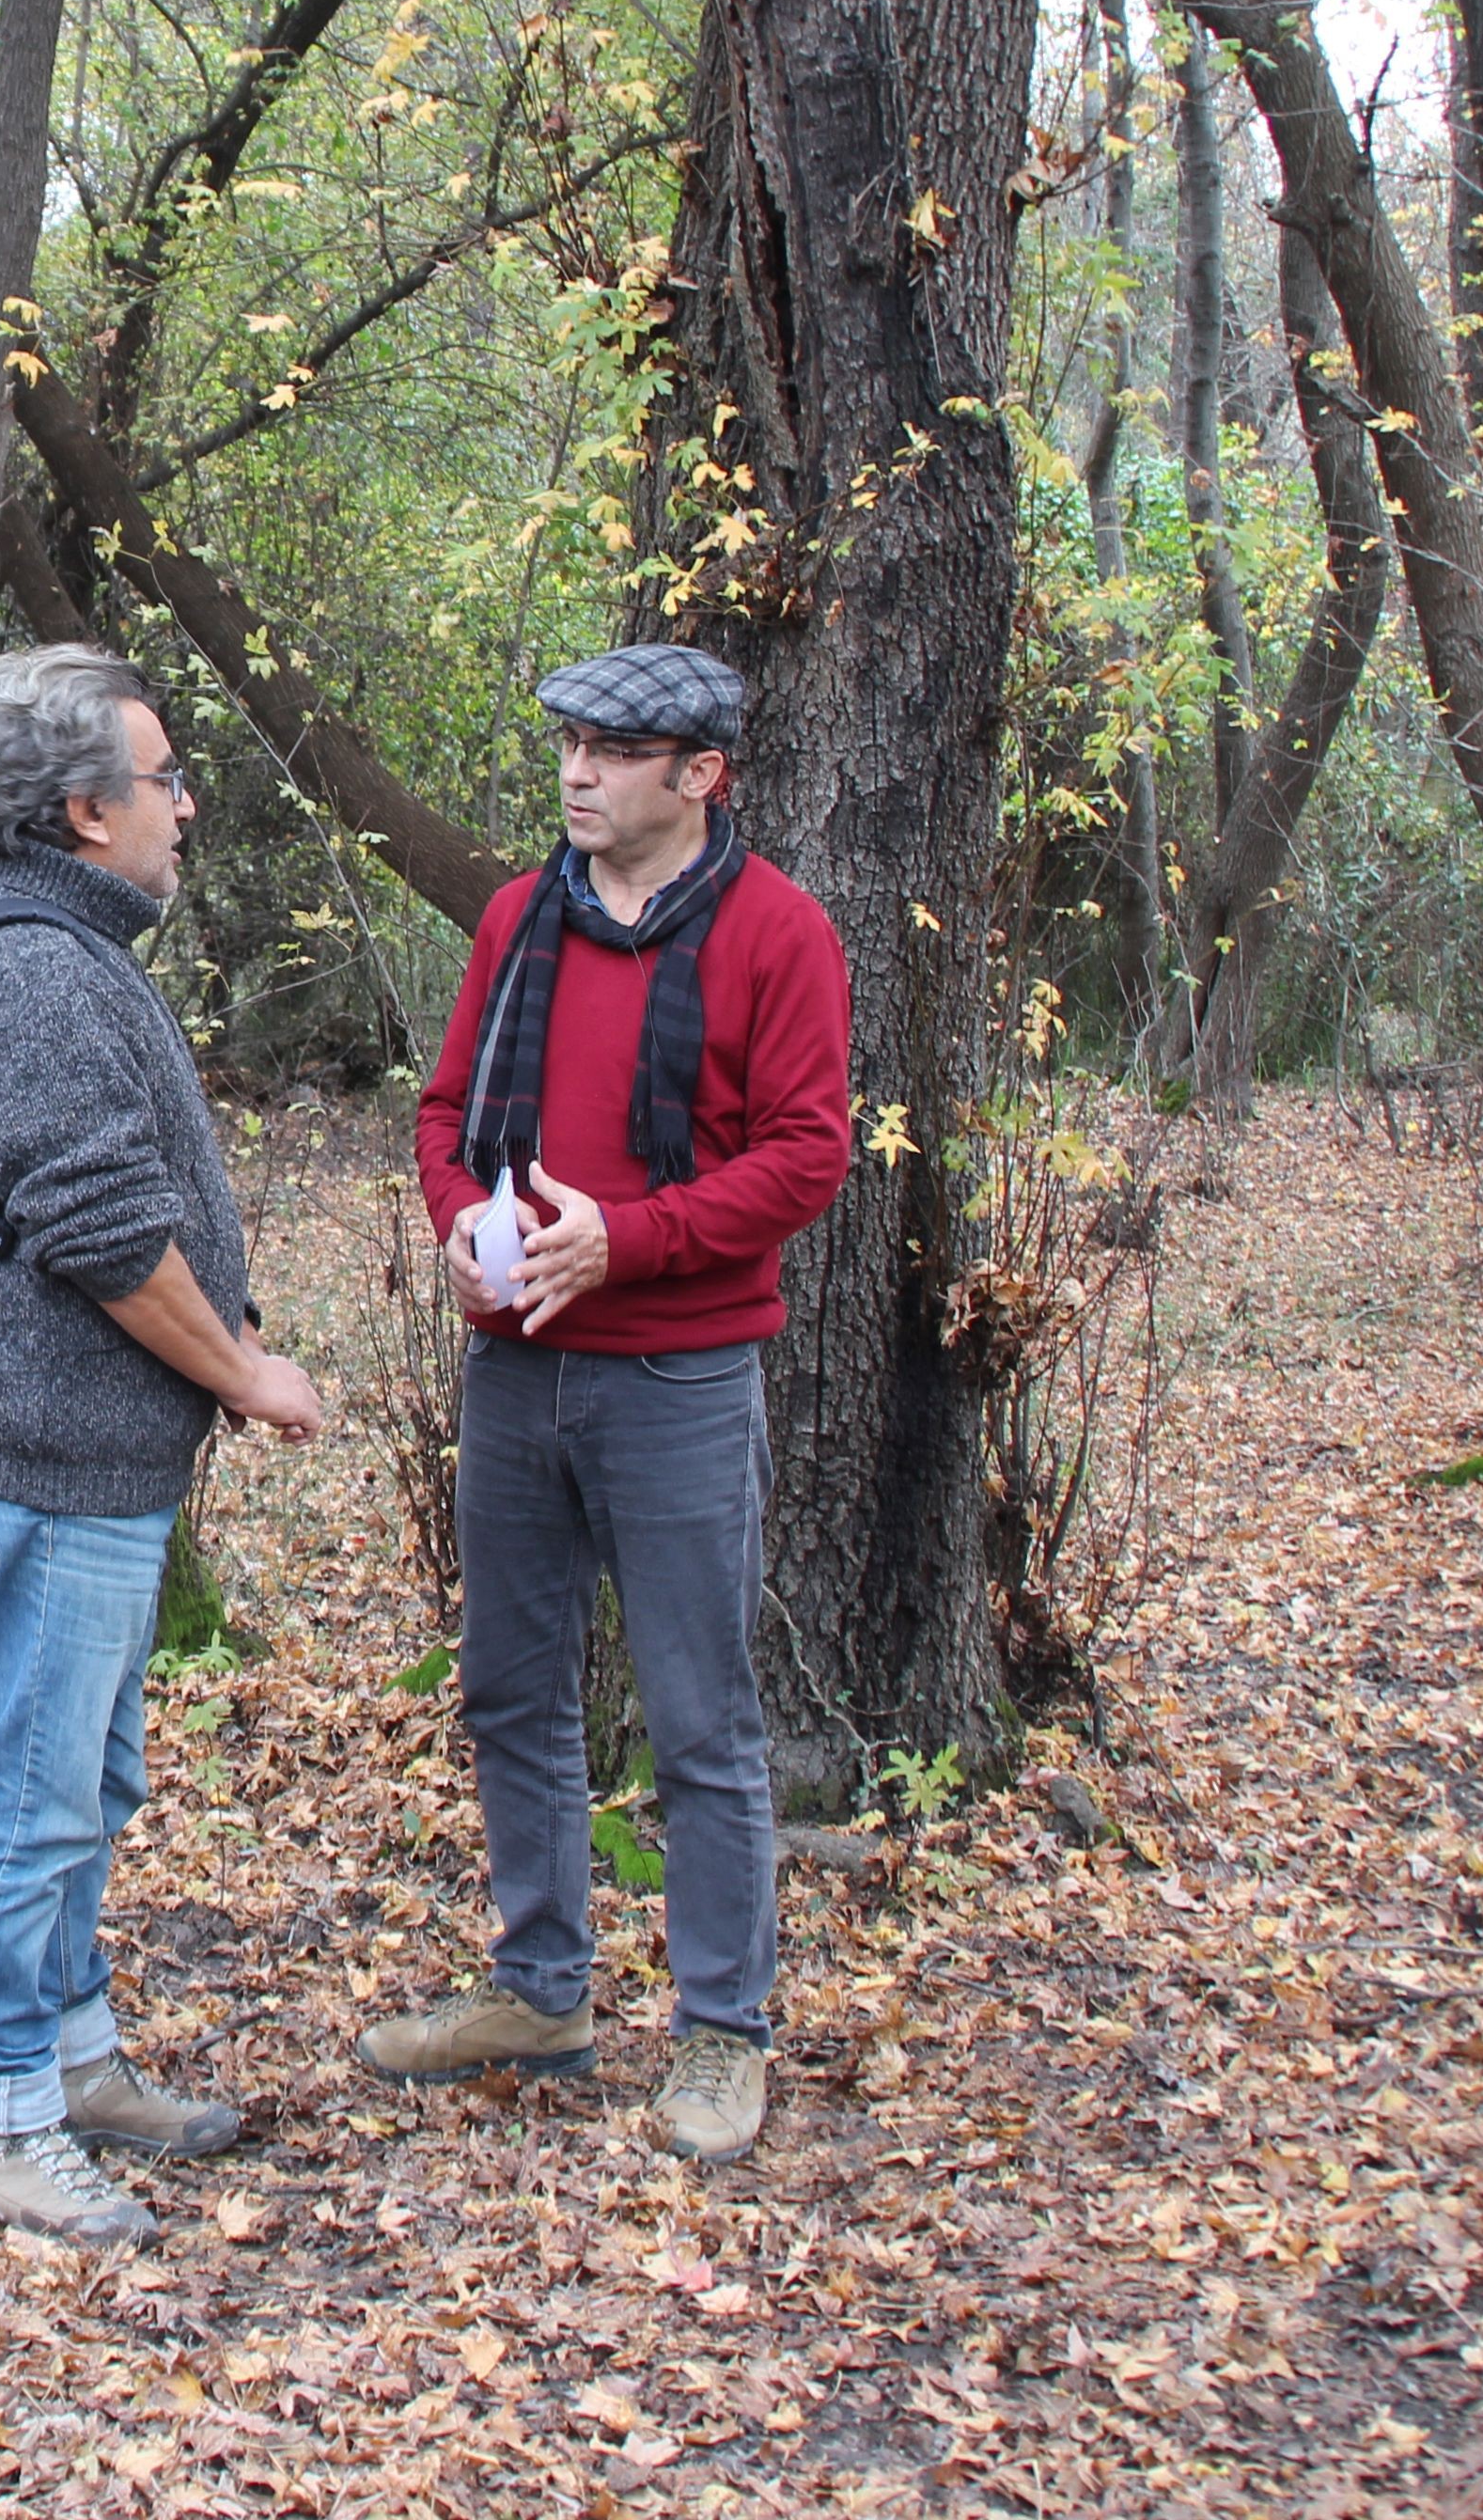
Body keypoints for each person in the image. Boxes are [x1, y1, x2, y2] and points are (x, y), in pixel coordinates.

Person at [364, 643, 850, 2163]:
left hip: (678, 1377)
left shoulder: (779, 935)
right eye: (570, 741)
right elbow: (447, 1112)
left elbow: (807, 1153)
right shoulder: (522, 918)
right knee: (513, 1690)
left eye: (613, 748)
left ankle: (722, 2035)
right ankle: (541, 1991)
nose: (576, 771)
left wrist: (625, 1239)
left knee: (701, 1720)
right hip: (514, 1371)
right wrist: (458, 1219)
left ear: (698, 776)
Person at [0, 642, 326, 2246]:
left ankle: (73, 2062)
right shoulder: (31, 972)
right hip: (46, 1462)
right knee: (31, 1794)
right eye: (162, 780)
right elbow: (95, 1228)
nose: (185, 805)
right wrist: (243, 1373)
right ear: (85, 812)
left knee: (87, 1778)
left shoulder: (63, 949)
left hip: (88, 1465)